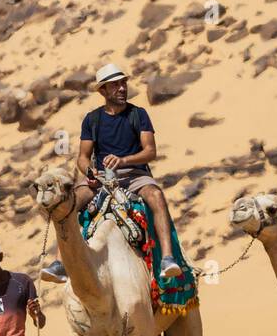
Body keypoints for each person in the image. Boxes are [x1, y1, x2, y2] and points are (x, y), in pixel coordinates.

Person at [42, 63, 181, 283]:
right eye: (115, 85)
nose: (122, 88)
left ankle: (167, 259)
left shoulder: (138, 114)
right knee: (70, 203)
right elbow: (83, 156)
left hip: (134, 174)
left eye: (123, 83)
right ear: (103, 91)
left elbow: (150, 151)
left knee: (155, 196)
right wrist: (90, 172)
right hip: (101, 179)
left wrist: (124, 160)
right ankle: (60, 263)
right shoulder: (93, 119)